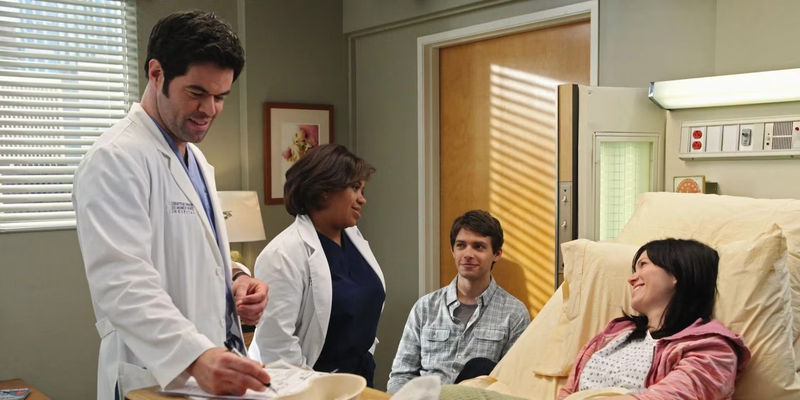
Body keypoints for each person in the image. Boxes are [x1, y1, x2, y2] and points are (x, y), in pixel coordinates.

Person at [73, 11, 270, 400]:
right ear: (156, 73)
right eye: (196, 93)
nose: (209, 109)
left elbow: (190, 254)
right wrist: (194, 356)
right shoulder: (115, 158)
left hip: (208, 368)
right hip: (152, 373)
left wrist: (236, 279)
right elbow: (122, 282)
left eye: (220, 97)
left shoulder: (195, 160)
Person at [249, 144, 385, 386]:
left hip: (359, 378)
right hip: (308, 386)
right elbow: (277, 348)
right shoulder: (282, 255)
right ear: (324, 191)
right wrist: (314, 389)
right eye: (355, 188)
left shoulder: (354, 239)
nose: (362, 199)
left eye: (363, 190)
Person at [557, 239, 751, 400]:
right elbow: (568, 392)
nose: (631, 279)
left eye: (643, 265)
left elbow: (676, 395)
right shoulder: (612, 336)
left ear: (676, 273)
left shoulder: (712, 349)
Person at [387, 210, 530, 393]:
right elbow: (401, 375)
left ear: (496, 254)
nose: (468, 254)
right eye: (461, 245)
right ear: (453, 251)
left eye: (478, 247)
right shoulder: (425, 307)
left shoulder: (514, 314)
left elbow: (513, 384)